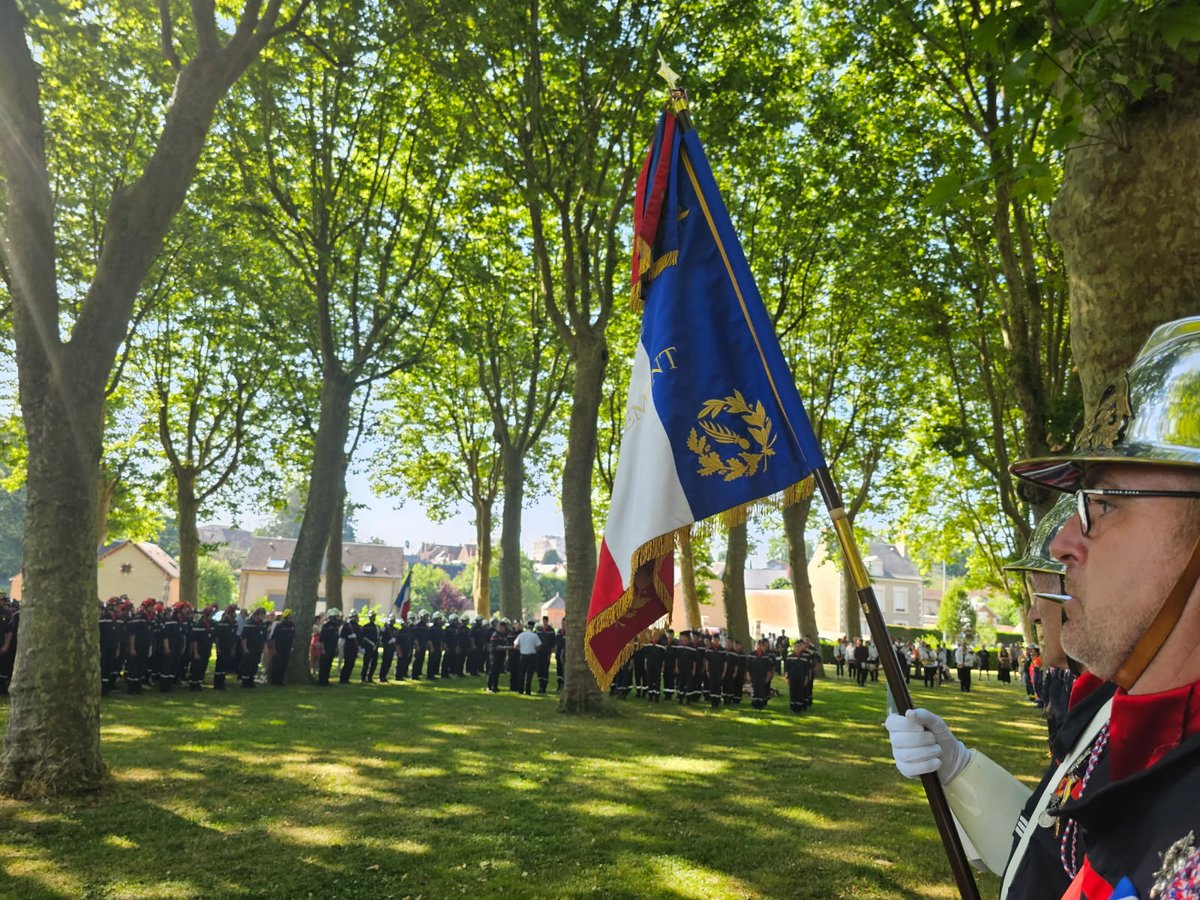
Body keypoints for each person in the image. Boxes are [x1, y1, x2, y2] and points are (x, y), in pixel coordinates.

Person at [886, 317, 1200, 897]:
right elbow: (1046, 853)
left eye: (1103, 503)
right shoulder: (1122, 713)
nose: (1061, 546)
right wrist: (957, 769)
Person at [514, 620, 540, 695]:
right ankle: (528, 690)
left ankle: (520, 690)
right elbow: (539, 646)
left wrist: (522, 649)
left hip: (523, 655)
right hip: (531, 656)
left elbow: (515, 646)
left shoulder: (521, 635)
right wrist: (533, 649)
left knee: (521, 673)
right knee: (529, 674)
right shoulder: (535, 635)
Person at [317, 609, 341, 686]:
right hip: (326, 648)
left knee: (329, 664)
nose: (338, 618)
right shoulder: (326, 625)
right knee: (324, 664)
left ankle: (326, 680)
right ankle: (321, 681)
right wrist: (323, 649)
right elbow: (322, 638)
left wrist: (336, 647)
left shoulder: (336, 626)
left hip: (332, 647)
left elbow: (336, 637)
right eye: (336, 616)